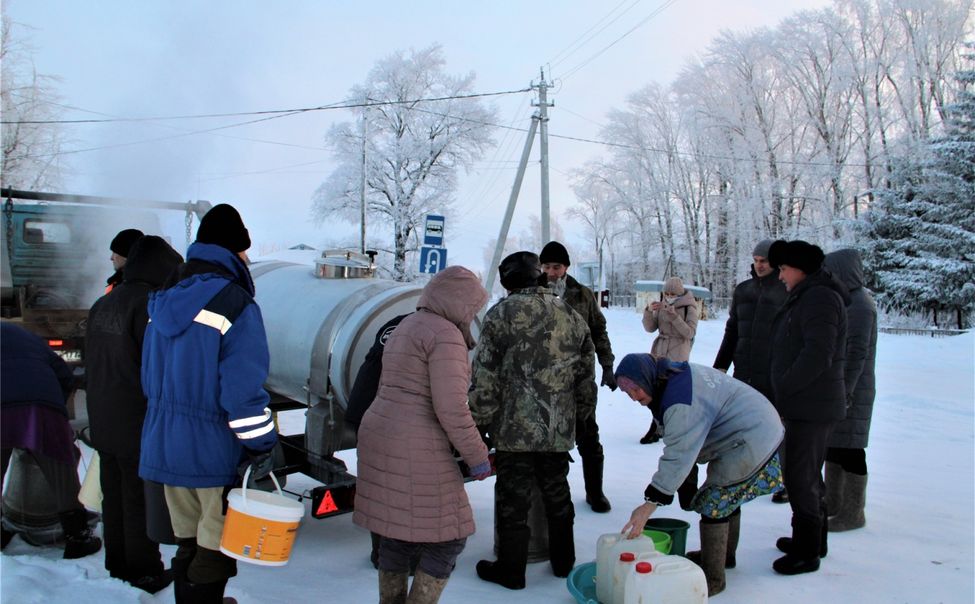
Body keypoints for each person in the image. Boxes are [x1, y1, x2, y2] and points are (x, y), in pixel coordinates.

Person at [139, 204, 278, 602]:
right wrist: (262, 444)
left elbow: (148, 376)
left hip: (164, 442)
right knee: (214, 547)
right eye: (245, 250)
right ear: (234, 251)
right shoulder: (235, 303)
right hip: (211, 450)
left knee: (188, 538)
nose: (247, 257)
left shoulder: (162, 300)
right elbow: (241, 394)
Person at [354, 266, 492, 604]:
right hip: (414, 442)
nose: (472, 314)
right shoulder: (445, 335)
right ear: (458, 303)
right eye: (472, 307)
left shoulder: (407, 324)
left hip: (380, 432)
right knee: (450, 536)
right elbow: (452, 408)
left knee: (397, 532)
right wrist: (478, 457)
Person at [470, 251, 596, 590]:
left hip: (514, 430)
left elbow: (485, 376)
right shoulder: (569, 314)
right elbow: (586, 374)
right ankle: (563, 562)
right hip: (557, 427)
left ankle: (511, 570)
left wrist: (479, 423)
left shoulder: (500, 314)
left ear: (509, 280)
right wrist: (582, 416)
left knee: (513, 498)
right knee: (557, 493)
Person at [615, 353, 783, 596]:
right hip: (751, 430)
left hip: (754, 437)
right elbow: (685, 440)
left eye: (635, 388)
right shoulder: (671, 377)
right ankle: (724, 556)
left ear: (646, 378)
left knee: (715, 502)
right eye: (627, 392)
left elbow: (679, 455)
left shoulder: (679, 400)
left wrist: (648, 506)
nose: (633, 396)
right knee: (726, 496)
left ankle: (713, 578)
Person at [86, 235, 182, 593]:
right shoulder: (148, 305)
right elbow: (158, 367)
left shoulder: (104, 303)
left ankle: (118, 563)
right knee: (138, 499)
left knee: (113, 495)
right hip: (136, 419)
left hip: (104, 415)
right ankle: (144, 571)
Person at [767, 239, 848, 576]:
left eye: (784, 269)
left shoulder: (820, 298)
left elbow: (817, 353)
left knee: (800, 478)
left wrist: (785, 385)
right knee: (807, 474)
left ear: (800, 269)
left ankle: (807, 551)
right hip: (807, 403)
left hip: (810, 405)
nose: (780, 276)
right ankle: (814, 540)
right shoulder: (809, 294)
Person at [0, 322, 102, 559]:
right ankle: (77, 537)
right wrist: (55, 413)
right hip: (40, 403)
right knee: (60, 465)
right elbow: (65, 376)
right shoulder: (28, 337)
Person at [538, 241, 616, 513]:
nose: (551, 272)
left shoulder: (583, 295)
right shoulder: (533, 293)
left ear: (566, 268)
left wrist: (607, 365)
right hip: (543, 382)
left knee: (588, 436)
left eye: (556, 267)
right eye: (546, 267)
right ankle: (549, 497)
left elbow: (599, 330)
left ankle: (595, 492)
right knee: (546, 441)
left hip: (579, 381)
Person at [712, 239, 790, 503]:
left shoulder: (786, 290)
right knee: (744, 424)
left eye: (764, 261)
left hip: (774, 371)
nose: (759, 266)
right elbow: (732, 331)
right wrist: (721, 365)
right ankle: (748, 475)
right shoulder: (743, 290)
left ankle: (785, 480)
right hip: (744, 370)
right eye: (756, 261)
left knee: (778, 426)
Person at [823, 248, 877, 532]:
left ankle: (854, 512)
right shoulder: (847, 300)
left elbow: (857, 352)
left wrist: (845, 390)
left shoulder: (860, 305)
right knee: (834, 444)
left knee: (852, 449)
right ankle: (834, 503)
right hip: (841, 386)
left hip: (854, 389)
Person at [639, 275, 698, 444]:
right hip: (659, 352)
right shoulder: (662, 304)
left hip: (678, 352)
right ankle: (657, 426)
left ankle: (666, 427)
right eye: (667, 294)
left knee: (672, 392)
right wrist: (649, 311)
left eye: (673, 294)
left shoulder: (689, 307)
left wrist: (674, 316)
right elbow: (650, 328)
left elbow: (689, 333)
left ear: (680, 294)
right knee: (656, 390)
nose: (669, 297)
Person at [105, 228, 144, 294]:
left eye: (114, 252)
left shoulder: (132, 288)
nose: (111, 258)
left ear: (125, 255)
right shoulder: (117, 282)